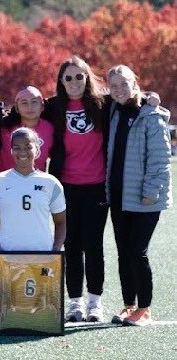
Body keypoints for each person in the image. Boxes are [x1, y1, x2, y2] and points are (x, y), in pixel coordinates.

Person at [103, 65, 172, 326]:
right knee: (123, 253)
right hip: (119, 197)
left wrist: (150, 193)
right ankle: (129, 305)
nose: (119, 89)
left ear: (135, 83)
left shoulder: (151, 115)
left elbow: (161, 161)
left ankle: (144, 308)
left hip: (145, 198)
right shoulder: (112, 110)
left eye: (125, 83)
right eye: (114, 85)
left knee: (136, 252)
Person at [43, 56, 109, 322]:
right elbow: (23, 110)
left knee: (93, 245)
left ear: (87, 78)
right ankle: (75, 303)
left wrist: (150, 98)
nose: (74, 82)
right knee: (71, 245)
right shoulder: (53, 107)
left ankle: (95, 302)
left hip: (96, 187)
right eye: (68, 77)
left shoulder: (103, 104)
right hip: (65, 186)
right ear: (61, 81)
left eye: (79, 76)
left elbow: (129, 96)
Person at [0, 127, 66, 254]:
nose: (22, 152)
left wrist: (55, 251)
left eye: (28, 147)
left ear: (37, 149)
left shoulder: (51, 183)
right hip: (7, 256)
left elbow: (61, 223)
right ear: (11, 150)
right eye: (17, 148)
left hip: (42, 254)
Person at [0, 86, 54, 174]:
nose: (30, 107)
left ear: (42, 106)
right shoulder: (5, 127)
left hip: (35, 183)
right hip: (5, 182)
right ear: (17, 108)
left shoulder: (50, 129)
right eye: (24, 103)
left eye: (34, 102)